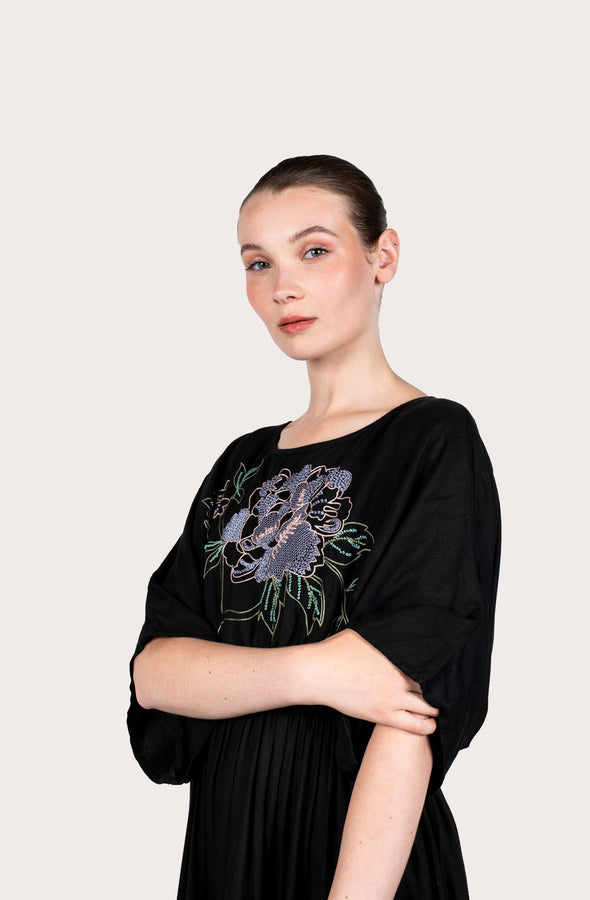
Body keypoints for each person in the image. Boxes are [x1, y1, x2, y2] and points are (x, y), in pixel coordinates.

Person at [127, 154, 501, 899]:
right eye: (257, 263)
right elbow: (155, 674)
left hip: (364, 859)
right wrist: (318, 671)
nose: (282, 287)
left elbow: (408, 706)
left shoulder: (433, 441)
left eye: (314, 251)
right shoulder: (242, 464)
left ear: (383, 256)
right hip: (229, 847)